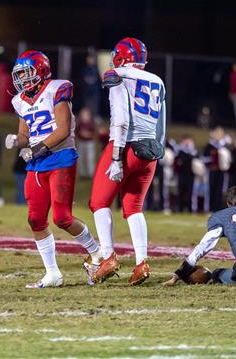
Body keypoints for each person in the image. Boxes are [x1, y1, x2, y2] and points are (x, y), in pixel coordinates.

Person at [5, 50, 103, 288]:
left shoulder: (57, 89)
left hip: (60, 158)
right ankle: (53, 274)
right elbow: (25, 133)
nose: (22, 79)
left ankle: (98, 253)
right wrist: (17, 140)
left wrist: (36, 149)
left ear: (41, 71)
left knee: (62, 217)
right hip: (37, 164)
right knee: (35, 218)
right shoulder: (19, 100)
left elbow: (62, 130)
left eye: (26, 73)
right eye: (19, 74)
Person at [89, 37, 167, 286]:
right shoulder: (157, 80)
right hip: (150, 151)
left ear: (121, 57)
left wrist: (116, 157)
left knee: (98, 202)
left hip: (125, 147)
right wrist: (157, 151)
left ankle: (109, 257)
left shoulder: (116, 74)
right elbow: (161, 126)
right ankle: (141, 262)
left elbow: (120, 119)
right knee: (133, 207)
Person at [75, 107, 97, 178]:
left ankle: (91, 173)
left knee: (90, 158)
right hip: (82, 143)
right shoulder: (79, 124)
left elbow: (94, 134)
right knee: (81, 158)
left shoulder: (91, 124)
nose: (85, 117)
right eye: (83, 115)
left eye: (86, 115)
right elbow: (77, 133)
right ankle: (82, 173)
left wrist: (87, 134)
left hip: (90, 143)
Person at [81, 54, 102, 119]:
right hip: (87, 91)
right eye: (89, 60)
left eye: (91, 59)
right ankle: (87, 117)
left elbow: (99, 79)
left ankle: (95, 116)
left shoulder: (96, 69)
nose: (90, 61)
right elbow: (84, 79)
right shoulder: (85, 69)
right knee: (87, 104)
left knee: (95, 104)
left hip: (95, 90)